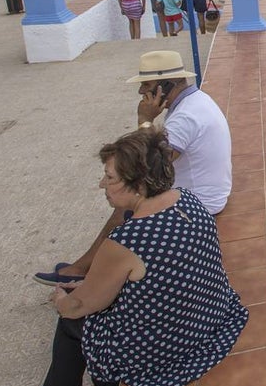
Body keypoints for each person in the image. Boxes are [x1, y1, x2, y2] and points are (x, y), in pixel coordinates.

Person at [36, 128, 248, 386]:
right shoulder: (188, 200)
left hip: (167, 349)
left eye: (109, 178)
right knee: (108, 308)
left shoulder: (126, 241)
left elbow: (80, 306)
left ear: (137, 184)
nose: (101, 185)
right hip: (209, 319)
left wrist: (61, 300)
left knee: (73, 322)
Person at [34, 51, 233, 287]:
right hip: (205, 191)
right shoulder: (195, 100)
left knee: (128, 201)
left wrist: (145, 118)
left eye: (145, 85)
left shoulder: (186, 116)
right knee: (130, 196)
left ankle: (85, 272)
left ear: (166, 85)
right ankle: (88, 267)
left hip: (201, 201)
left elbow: (148, 164)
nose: (140, 92)